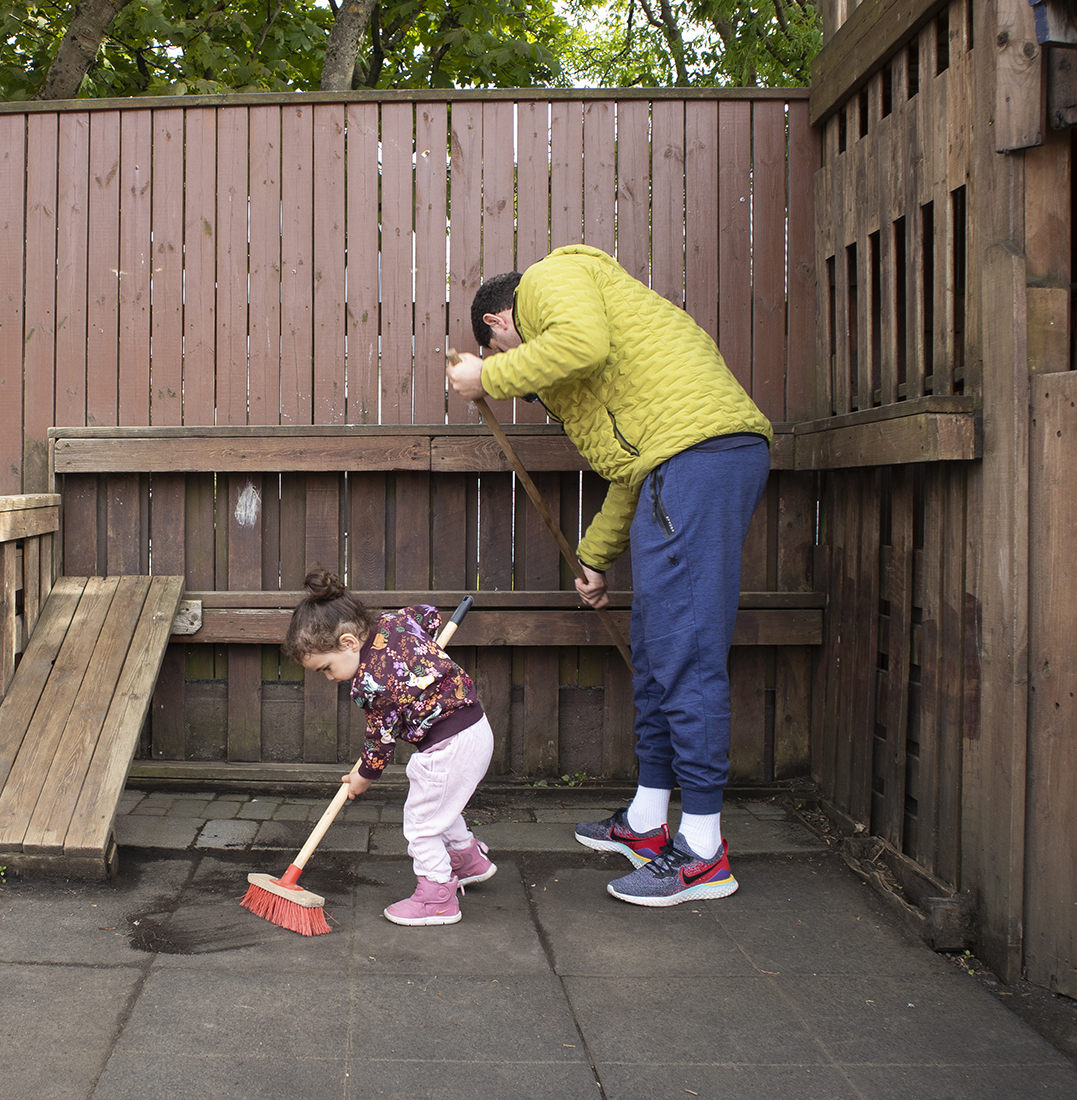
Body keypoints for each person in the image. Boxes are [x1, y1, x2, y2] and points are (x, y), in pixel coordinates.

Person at [446, 244, 770, 908]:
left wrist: (487, 379)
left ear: (501, 323)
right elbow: (630, 474)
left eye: (501, 353)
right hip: (674, 467)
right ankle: (649, 825)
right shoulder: (596, 394)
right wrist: (595, 558)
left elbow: (581, 342)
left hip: (701, 458)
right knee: (655, 653)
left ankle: (704, 852)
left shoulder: (551, 279)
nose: (515, 374)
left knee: (685, 654)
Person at [283, 567, 496, 926]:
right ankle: (466, 859)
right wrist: (423, 643)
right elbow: (428, 614)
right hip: (473, 729)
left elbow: (381, 737)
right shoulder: (394, 621)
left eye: (326, 668)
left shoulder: (372, 683)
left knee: (420, 823)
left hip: (448, 748)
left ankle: (437, 898)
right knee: (439, 806)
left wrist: (364, 776)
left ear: (349, 643)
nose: (331, 677)